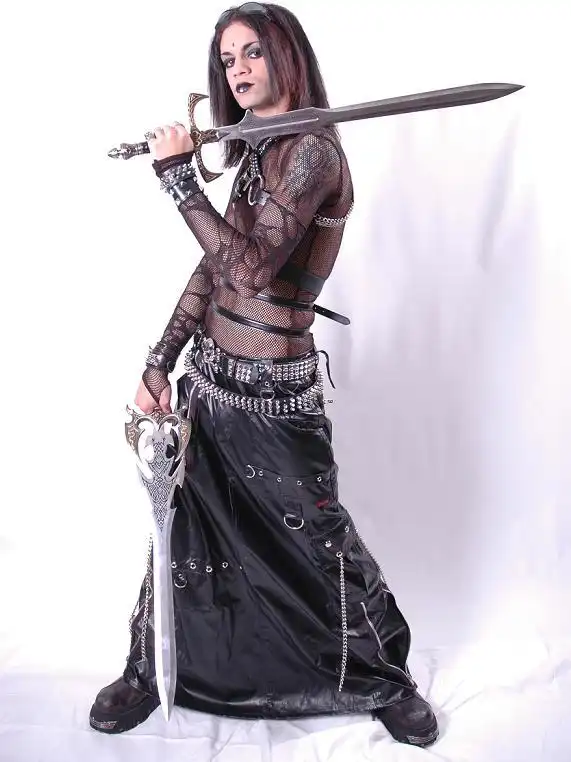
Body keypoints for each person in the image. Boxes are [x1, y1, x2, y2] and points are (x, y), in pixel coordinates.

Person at [89, 1, 438, 748]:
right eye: (227, 60)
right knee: (182, 535)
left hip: (276, 394)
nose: (238, 71)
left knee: (321, 540)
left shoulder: (311, 154)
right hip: (208, 382)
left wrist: (179, 179)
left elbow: (249, 270)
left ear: (286, 55)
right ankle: (150, 670)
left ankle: (383, 679)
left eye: (251, 53)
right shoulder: (256, 149)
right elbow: (213, 268)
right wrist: (160, 358)